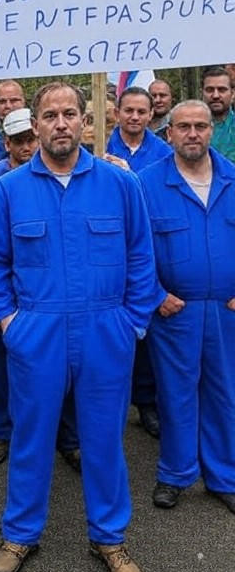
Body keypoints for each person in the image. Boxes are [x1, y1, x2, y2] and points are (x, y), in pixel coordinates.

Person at [0, 81, 160, 572]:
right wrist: (10, 322)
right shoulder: (11, 190)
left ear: (86, 121)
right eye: (50, 115)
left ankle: (109, 537)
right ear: (34, 125)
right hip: (37, 328)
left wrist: (132, 323)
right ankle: (20, 534)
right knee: (31, 438)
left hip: (106, 328)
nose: (60, 123)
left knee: (104, 438)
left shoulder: (120, 185)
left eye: (69, 114)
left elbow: (143, 257)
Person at [139, 100, 235, 515]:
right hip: (175, 312)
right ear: (170, 133)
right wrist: (155, 294)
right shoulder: (146, 184)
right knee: (175, 395)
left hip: (227, 311)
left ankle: (225, 477)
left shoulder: (233, 178)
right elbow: (135, 248)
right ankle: (175, 474)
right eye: (184, 127)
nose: (193, 133)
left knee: (225, 393)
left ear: (211, 131)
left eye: (200, 126)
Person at [0, 108, 79, 471]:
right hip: (13, 297)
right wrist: (1, 314)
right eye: (18, 141)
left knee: (65, 375)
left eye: (30, 140)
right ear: (6, 143)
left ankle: (67, 439)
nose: (25, 146)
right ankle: (0, 433)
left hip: (52, 295)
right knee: (3, 373)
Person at [107, 85, 171, 438]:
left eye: (141, 111)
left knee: (143, 331)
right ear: (117, 112)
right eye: (128, 110)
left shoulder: (163, 152)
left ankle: (146, 402)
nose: (134, 117)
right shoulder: (98, 145)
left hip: (146, 245)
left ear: (151, 115)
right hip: (106, 249)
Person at [202, 67, 235, 162]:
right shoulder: (189, 129)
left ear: (232, 94)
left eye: (222, 90)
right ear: (202, 93)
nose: (215, 95)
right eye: (210, 90)